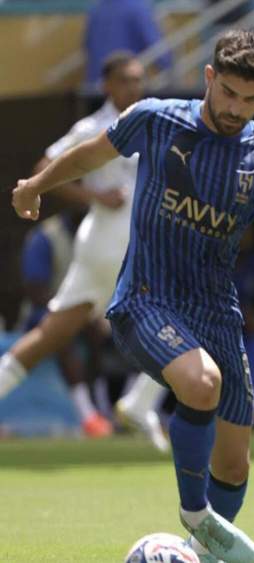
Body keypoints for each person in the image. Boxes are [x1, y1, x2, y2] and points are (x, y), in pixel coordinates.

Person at [11, 30, 254, 563]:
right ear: (210, 77)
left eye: (250, 99)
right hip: (145, 297)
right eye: (228, 92)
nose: (236, 108)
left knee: (234, 465)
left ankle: (198, 554)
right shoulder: (157, 118)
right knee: (201, 383)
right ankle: (194, 514)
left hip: (216, 312)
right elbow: (89, 154)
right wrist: (35, 185)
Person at [0, 53, 169, 447]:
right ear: (107, 85)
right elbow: (45, 167)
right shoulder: (93, 127)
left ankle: (139, 403)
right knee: (189, 313)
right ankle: (139, 403)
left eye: (138, 80)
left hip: (120, 246)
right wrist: (94, 195)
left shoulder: (153, 122)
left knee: (51, 334)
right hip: (112, 245)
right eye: (125, 80)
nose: (133, 87)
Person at [84, 0, 172, 84]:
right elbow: (158, 50)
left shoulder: (97, 9)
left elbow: (87, 45)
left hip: (95, 83)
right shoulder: (137, 7)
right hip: (123, 83)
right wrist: (170, 69)